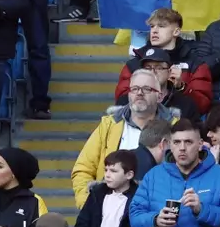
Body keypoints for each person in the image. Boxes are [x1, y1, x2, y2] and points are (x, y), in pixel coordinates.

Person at [73, 69, 178, 209]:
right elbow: (83, 169)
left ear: (159, 96)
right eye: (134, 89)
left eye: (147, 89)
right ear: (129, 94)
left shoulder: (175, 128)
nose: (139, 93)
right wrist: (89, 205)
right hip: (109, 211)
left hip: (155, 213)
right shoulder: (109, 125)